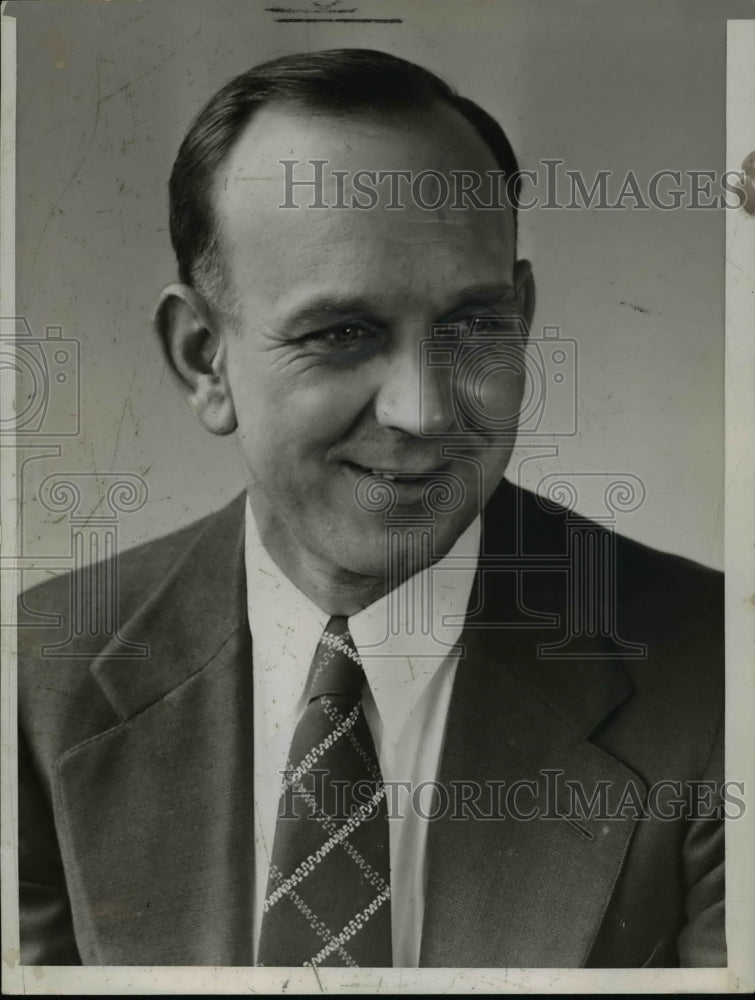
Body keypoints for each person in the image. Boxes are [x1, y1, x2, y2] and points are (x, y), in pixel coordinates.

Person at [17, 48, 725, 968]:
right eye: (341, 334)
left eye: (473, 326)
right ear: (203, 358)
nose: (424, 410)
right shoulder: (37, 685)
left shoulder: (720, 681)